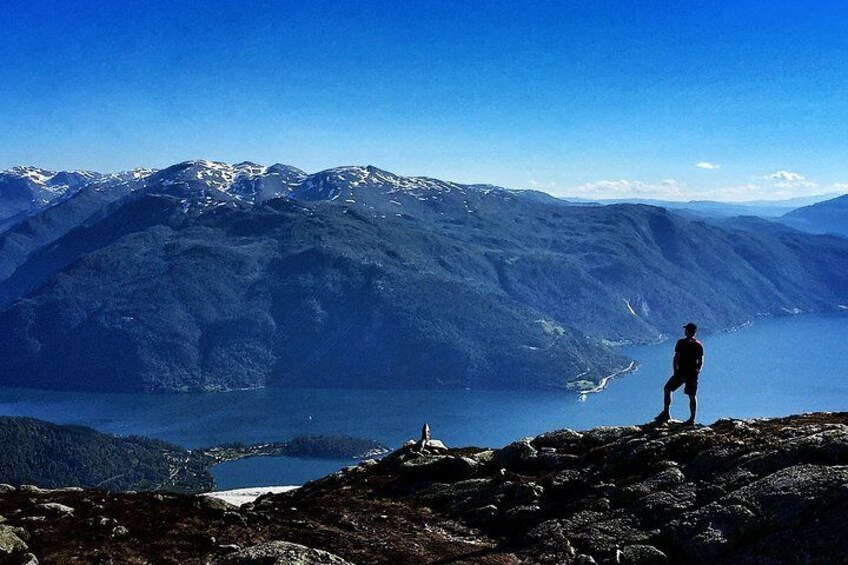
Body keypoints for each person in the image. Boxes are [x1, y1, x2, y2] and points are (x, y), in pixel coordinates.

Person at [656, 322, 704, 425]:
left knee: (668, 389)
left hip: (681, 372)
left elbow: (676, 358)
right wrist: (697, 371)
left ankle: (666, 413)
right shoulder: (698, 345)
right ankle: (692, 419)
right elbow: (701, 361)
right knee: (692, 396)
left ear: (687, 331)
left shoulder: (681, 343)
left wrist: (675, 371)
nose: (685, 331)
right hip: (692, 374)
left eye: (686, 329)